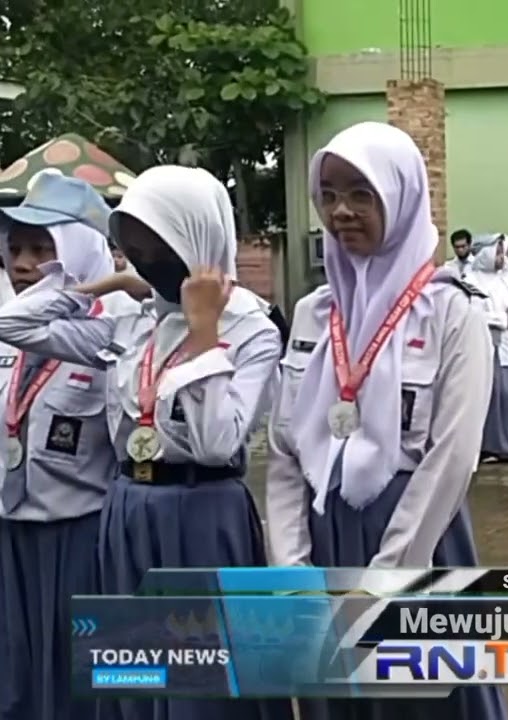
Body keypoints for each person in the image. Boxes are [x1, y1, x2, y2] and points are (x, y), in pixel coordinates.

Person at [0, 166, 290, 720]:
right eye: (133, 248)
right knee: (132, 680)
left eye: (156, 246)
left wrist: (204, 335)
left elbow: (214, 442)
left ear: (195, 238)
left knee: (201, 684)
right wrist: (89, 286)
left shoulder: (250, 328)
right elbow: (14, 325)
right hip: (128, 513)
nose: (145, 261)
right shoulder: (134, 322)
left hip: (202, 513)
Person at [264, 122, 508, 720]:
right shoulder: (314, 313)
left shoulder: (452, 312)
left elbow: (451, 460)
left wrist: (386, 581)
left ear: (400, 198)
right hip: (326, 541)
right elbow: (285, 450)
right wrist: (292, 572)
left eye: (361, 193)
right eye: (329, 195)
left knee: (417, 700)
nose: (341, 211)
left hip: (417, 542)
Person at [0, 175, 132, 720]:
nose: (24, 263)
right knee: (15, 677)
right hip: (10, 528)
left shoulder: (113, 331)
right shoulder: (6, 325)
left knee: (79, 677)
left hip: (80, 531)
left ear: (77, 250)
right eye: (15, 249)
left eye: (42, 249)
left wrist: (70, 292)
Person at [469, 233, 508, 465]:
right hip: (483, 345)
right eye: (497, 251)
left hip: (505, 346)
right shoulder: (470, 281)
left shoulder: (504, 280)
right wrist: (500, 319)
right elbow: (472, 314)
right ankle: (490, 446)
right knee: (490, 396)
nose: (501, 257)